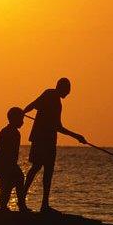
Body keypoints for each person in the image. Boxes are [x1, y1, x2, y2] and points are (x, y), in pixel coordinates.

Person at [22, 78, 87, 213]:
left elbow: (56, 125)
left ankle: (43, 204)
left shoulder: (56, 101)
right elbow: (34, 105)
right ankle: (25, 200)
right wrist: (22, 113)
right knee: (37, 168)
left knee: (46, 170)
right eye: (67, 90)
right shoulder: (50, 95)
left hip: (49, 140)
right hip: (42, 140)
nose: (68, 93)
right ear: (61, 87)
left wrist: (76, 136)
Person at [0, 107, 29, 212]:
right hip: (3, 164)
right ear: (14, 119)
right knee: (14, 180)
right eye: (21, 119)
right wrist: (10, 166)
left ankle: (4, 206)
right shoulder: (10, 133)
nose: (22, 122)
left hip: (4, 163)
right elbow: (6, 152)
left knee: (12, 182)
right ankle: (15, 206)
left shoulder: (11, 132)